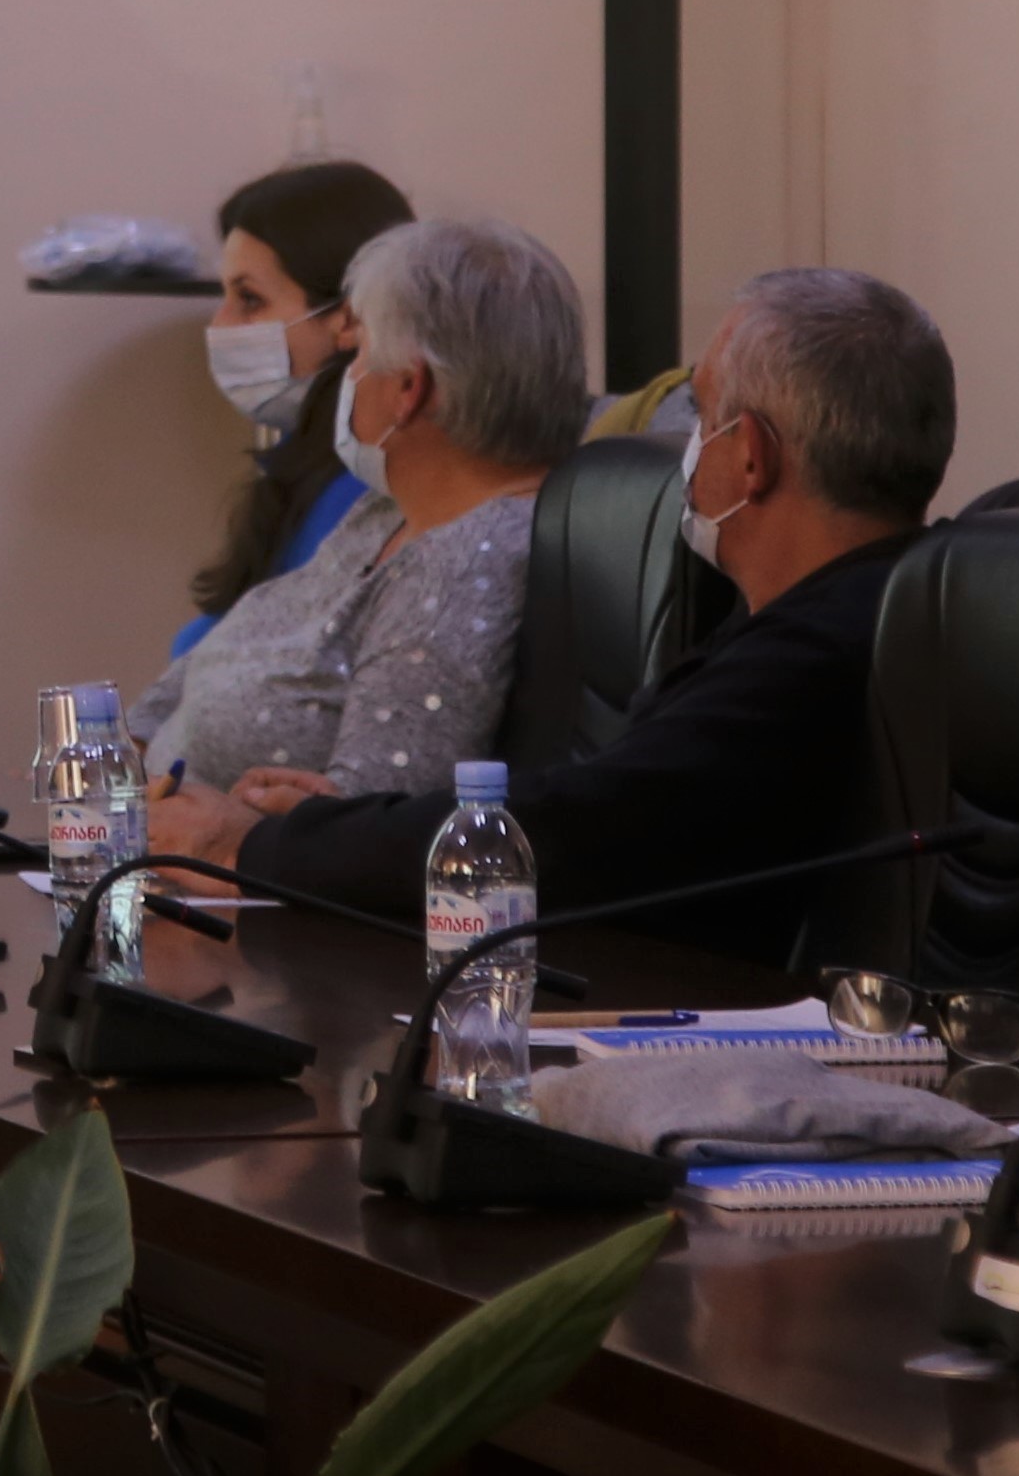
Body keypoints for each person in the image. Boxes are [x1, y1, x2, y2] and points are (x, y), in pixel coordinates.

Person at [157, 268, 954, 968]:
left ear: (750, 454)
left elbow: (573, 832)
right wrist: (337, 824)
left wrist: (251, 845)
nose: (686, 445)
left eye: (702, 414)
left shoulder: (818, 650)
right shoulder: (879, 604)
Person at [128, 216, 578, 805]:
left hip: (227, 859)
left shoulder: (462, 565)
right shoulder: (385, 510)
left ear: (408, 388)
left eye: (361, 350)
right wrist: (119, 750)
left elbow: (370, 823)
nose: (349, 374)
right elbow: (234, 645)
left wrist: (222, 830)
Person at [173, 161, 414, 665]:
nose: (220, 325)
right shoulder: (309, 463)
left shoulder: (371, 488)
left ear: (349, 318)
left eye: (249, 299)